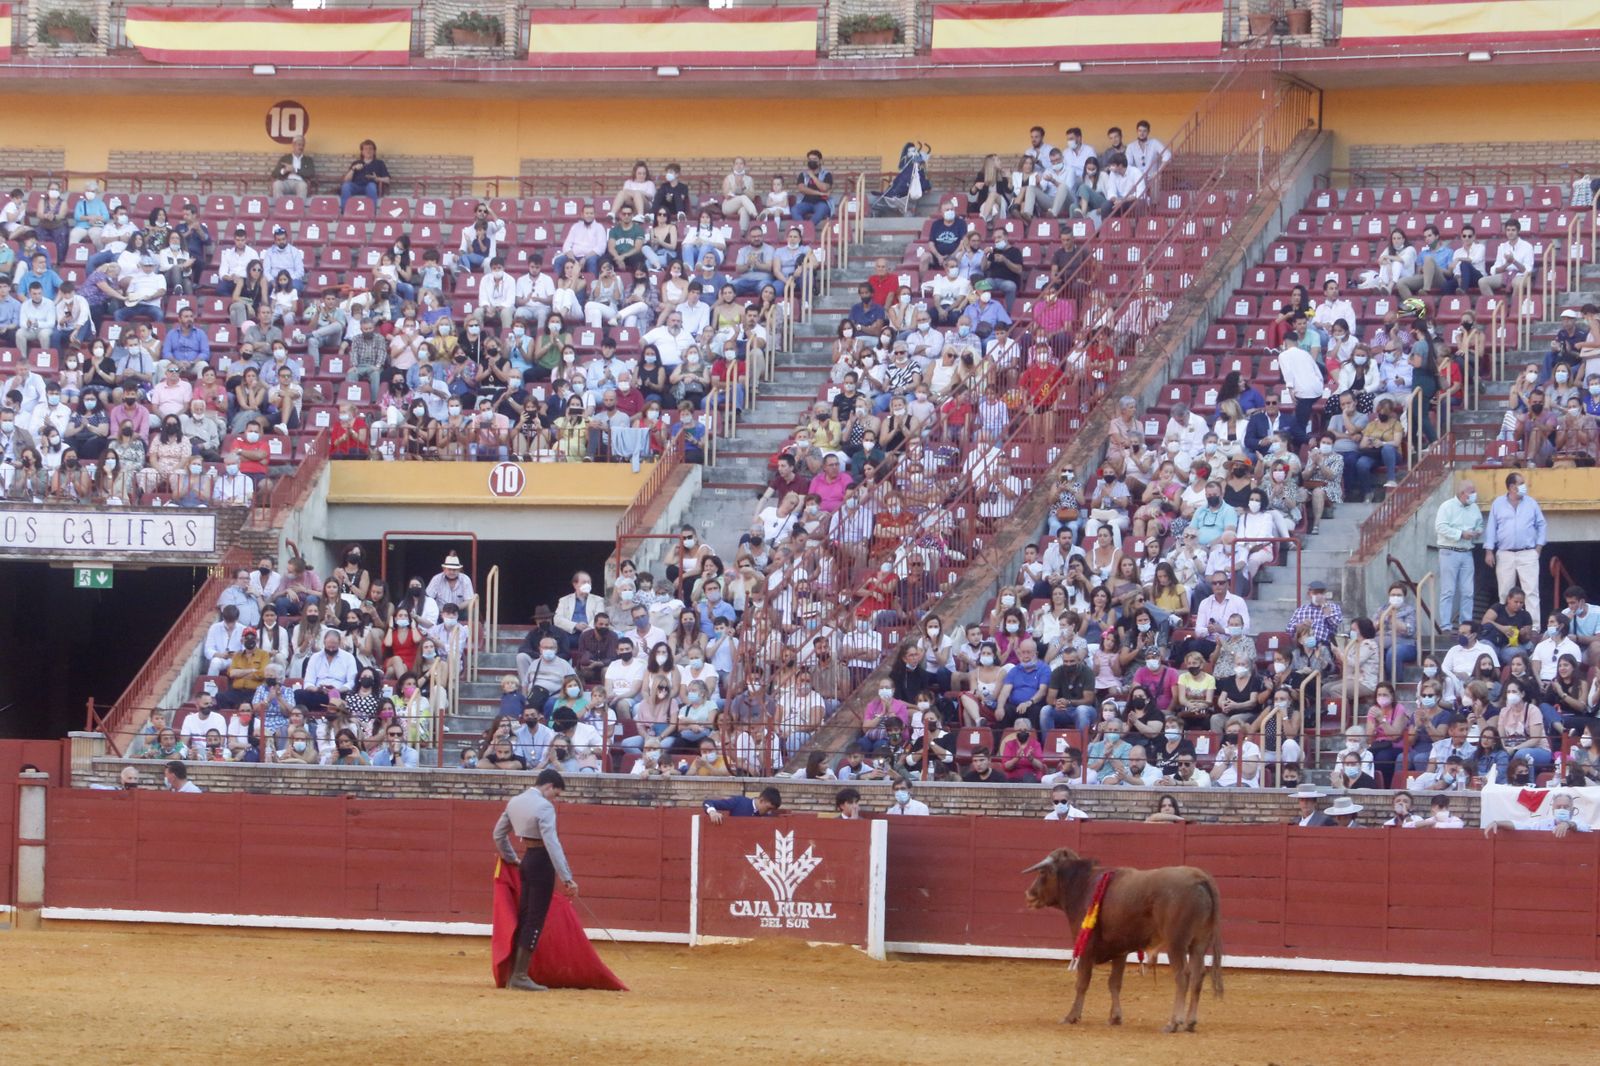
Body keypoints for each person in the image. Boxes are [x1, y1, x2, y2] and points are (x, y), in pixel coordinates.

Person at [493, 769, 579, 992]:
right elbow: (552, 843)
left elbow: (498, 834)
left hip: (527, 860)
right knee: (535, 918)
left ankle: (515, 974)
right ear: (549, 786)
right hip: (541, 862)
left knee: (524, 915)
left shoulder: (515, 802)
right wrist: (567, 877)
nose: (554, 799)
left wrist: (512, 858)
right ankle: (520, 976)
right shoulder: (544, 807)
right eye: (556, 794)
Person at [1483, 472, 1547, 626]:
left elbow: (1542, 524)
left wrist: (1538, 547)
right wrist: (1489, 550)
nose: (1525, 486)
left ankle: (1533, 628)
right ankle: (1505, 627)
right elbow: (1491, 528)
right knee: (1505, 593)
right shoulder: (1498, 503)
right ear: (1512, 487)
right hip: (1505, 553)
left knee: (1531, 591)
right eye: (1521, 483)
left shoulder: (1531, 502)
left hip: (1527, 552)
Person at [1434, 478, 1484, 629]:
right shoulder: (1446, 506)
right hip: (1449, 552)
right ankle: (1446, 626)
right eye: (1472, 492)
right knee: (1448, 590)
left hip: (1467, 552)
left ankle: (1466, 624)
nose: (1475, 494)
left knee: (1468, 591)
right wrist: (1461, 534)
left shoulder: (1474, 507)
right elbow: (1440, 527)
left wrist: (1477, 532)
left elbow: (1480, 524)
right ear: (1463, 493)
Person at [702, 786, 782, 823]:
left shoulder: (768, 817)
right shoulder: (739, 802)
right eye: (768, 808)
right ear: (761, 801)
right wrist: (712, 812)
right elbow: (708, 802)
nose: (769, 812)